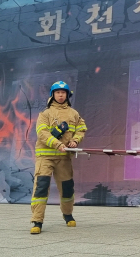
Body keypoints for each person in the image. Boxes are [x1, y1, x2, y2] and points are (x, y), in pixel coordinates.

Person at [30, 81, 87, 234]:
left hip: (64, 158)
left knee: (67, 188)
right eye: (57, 92)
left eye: (63, 92)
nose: (61, 95)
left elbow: (81, 129)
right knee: (41, 188)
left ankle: (68, 215)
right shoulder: (45, 114)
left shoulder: (74, 114)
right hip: (45, 157)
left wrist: (75, 140)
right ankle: (37, 221)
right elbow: (42, 134)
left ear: (68, 95)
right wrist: (57, 144)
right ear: (52, 95)